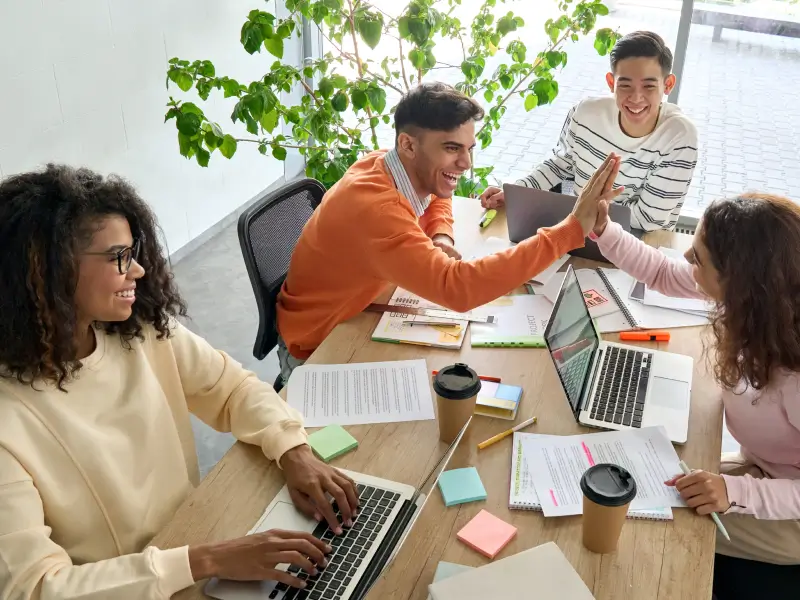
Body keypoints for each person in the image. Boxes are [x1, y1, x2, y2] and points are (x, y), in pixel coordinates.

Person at [0, 165, 361, 599]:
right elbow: (34, 588)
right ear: (48, 271)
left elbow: (232, 388)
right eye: (118, 257)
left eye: (134, 252)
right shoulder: (9, 419)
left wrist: (293, 449)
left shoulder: (141, 330)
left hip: (194, 541)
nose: (138, 270)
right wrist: (205, 560)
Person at [277, 82, 624, 384]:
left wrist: (440, 236)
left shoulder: (385, 163)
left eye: (469, 148)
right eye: (451, 148)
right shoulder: (377, 211)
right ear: (408, 145)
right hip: (318, 346)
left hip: (359, 310)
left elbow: (436, 195)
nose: (466, 163)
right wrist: (569, 230)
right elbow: (458, 288)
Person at [590, 193, 800, 573]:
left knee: (651, 517)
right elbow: (663, 273)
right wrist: (604, 229)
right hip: (765, 466)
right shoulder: (763, 305)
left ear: (740, 281)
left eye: (699, 259)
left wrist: (735, 490)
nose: (686, 258)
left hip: (791, 510)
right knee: (649, 484)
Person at [481, 31, 698, 232]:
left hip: (637, 241)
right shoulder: (585, 113)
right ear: (611, 82)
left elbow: (649, 220)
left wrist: (584, 210)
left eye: (649, 86)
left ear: (667, 85)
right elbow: (560, 165)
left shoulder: (679, 136)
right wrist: (515, 192)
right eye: (625, 85)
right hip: (580, 231)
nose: (636, 97)